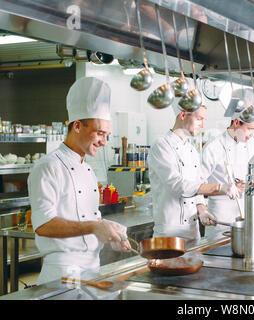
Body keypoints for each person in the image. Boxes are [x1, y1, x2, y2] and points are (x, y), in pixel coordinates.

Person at [28, 77, 130, 285]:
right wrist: (94, 227)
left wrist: (108, 232)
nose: (103, 141)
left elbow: (87, 219)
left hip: (92, 269)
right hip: (63, 274)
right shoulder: (47, 167)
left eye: (107, 135)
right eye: (100, 133)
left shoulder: (88, 170)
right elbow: (44, 225)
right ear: (77, 126)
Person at [148, 105, 242, 240]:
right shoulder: (162, 145)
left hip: (193, 231)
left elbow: (196, 186)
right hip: (169, 234)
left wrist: (202, 210)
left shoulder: (192, 150)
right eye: (199, 119)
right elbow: (178, 185)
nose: (202, 125)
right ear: (182, 115)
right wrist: (219, 187)